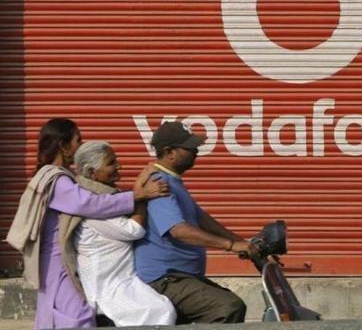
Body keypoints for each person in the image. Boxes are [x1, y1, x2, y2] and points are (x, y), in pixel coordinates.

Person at [6, 118, 169, 329]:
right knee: (76, 314)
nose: (80, 145)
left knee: (64, 310)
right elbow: (89, 204)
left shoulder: (62, 177)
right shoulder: (57, 180)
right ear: (63, 146)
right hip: (56, 260)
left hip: (63, 257)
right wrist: (137, 195)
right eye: (77, 140)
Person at [134, 121, 259, 324]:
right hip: (165, 280)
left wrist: (245, 243)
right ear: (169, 152)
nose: (196, 151)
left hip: (182, 277)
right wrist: (231, 246)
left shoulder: (173, 181)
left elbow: (202, 219)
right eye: (189, 147)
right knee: (227, 307)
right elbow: (178, 230)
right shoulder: (158, 183)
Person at [73, 141, 176, 326]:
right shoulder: (91, 204)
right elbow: (134, 230)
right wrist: (142, 194)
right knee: (160, 311)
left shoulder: (106, 197)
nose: (119, 166)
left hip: (123, 280)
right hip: (107, 288)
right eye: (111, 163)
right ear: (91, 172)